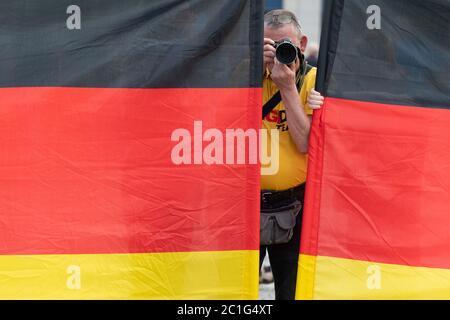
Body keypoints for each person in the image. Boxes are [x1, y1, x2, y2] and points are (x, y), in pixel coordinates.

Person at [260, 9, 324, 300]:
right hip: (242, 205)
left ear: (302, 44)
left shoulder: (313, 82)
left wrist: (286, 87)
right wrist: (250, 72)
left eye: (285, 45)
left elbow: (305, 144)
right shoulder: (242, 79)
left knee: (292, 293)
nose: (279, 53)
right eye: (271, 47)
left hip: (296, 206)